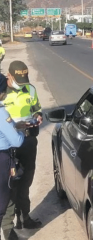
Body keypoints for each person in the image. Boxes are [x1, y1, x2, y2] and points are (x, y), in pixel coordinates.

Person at [2, 61, 43, 239]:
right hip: (9, 145)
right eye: (18, 78)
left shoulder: (30, 89)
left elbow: (37, 108)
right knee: (11, 184)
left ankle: (24, 218)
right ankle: (8, 227)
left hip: (27, 140)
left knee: (26, 180)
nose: (22, 82)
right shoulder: (2, 91)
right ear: (9, 76)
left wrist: (37, 116)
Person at [0, 73, 25, 240]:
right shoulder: (1, 112)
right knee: (4, 200)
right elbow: (16, 141)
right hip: (2, 159)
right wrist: (21, 130)